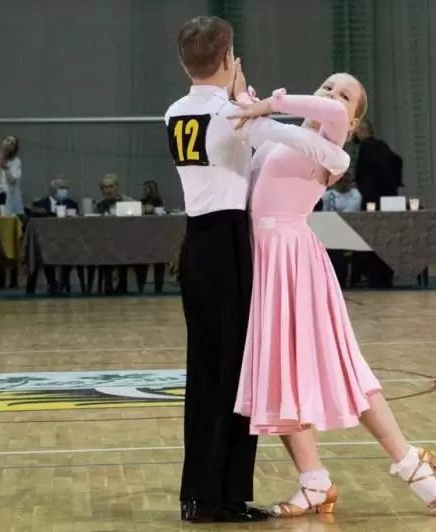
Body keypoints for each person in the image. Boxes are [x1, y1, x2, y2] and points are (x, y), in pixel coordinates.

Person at [229, 75, 436, 517]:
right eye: (328, 86)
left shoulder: (334, 147)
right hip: (264, 260)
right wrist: (241, 95)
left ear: (352, 123)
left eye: (345, 96)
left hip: (291, 261)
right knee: (279, 374)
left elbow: (295, 119)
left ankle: (409, 462)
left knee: (342, 368)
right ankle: (315, 481)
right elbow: (256, 132)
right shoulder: (283, 137)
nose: (331, 96)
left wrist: (268, 104)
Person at [165, 16, 351, 523]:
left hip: (195, 244)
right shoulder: (233, 115)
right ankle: (224, 499)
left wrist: (238, 95)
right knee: (236, 374)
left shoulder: (174, 111)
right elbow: (325, 152)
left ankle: (198, 493)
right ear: (229, 58)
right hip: (229, 245)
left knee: (204, 371)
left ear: (183, 62)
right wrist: (333, 159)